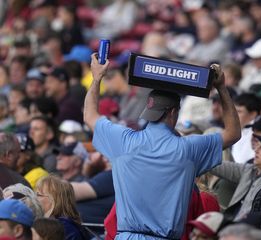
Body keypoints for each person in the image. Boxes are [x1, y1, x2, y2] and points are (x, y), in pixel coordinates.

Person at [84, 54, 241, 239]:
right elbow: (233, 133)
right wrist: (222, 88)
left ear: (148, 111)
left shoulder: (123, 141)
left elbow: (90, 116)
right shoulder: (188, 149)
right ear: (174, 113)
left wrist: (96, 78)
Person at [35, 175, 90, 240]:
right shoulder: (61, 224)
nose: (35, 198)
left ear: (55, 200)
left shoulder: (64, 228)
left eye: (38, 194)